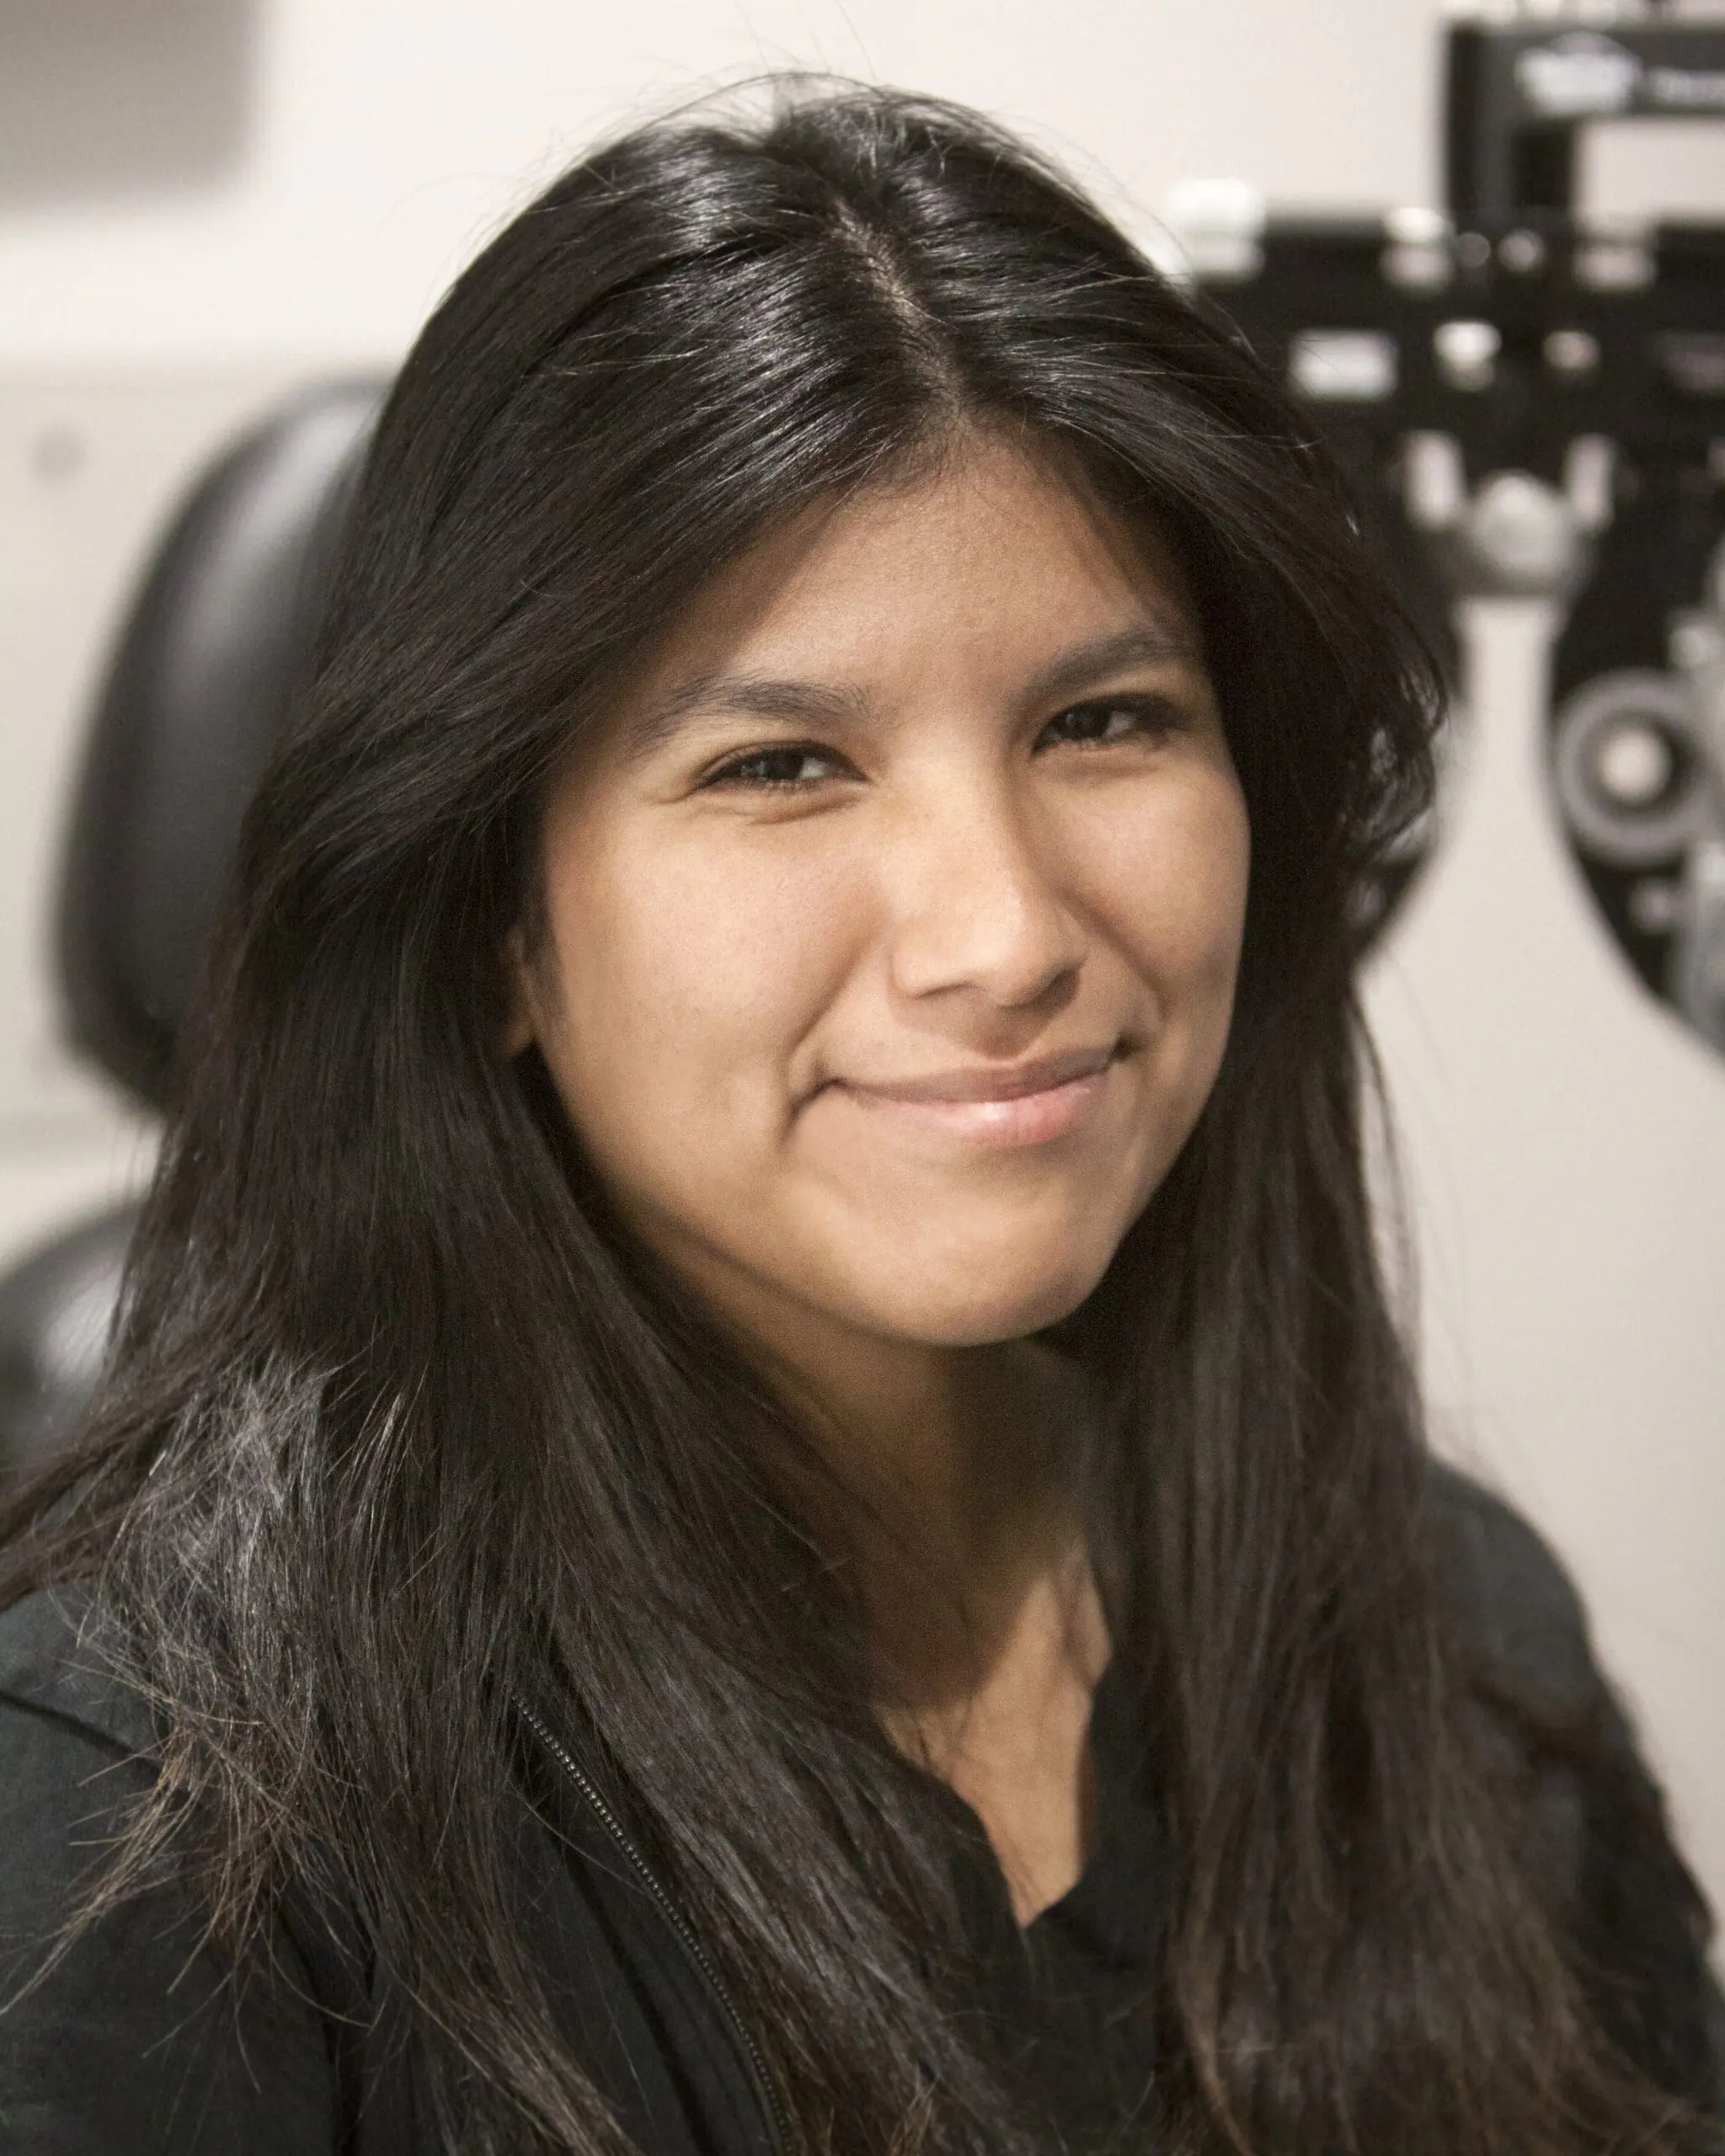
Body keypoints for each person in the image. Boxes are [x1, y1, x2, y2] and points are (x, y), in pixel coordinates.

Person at [0, 81, 1717, 2156]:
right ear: (492, 926)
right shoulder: (151, 1820)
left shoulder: (1440, 1637)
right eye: (781, 767)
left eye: (1104, 722)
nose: (1003, 933)